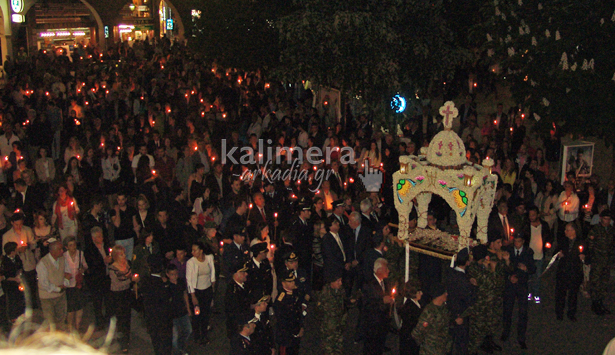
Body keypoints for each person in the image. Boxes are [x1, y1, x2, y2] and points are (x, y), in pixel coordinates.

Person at [502, 233, 536, 349]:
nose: (517, 244)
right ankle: (505, 332)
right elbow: (503, 269)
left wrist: (526, 269)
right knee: (507, 310)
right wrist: (509, 277)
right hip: (510, 285)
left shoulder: (528, 252)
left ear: (523, 242)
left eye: (519, 242)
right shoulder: (508, 250)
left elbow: (533, 269)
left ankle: (521, 338)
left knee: (523, 312)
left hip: (522, 285)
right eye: (515, 241)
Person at [466, 244, 501, 354]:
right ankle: (472, 351)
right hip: (479, 305)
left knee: (489, 326)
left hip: (489, 302)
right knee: (477, 332)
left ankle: (485, 344)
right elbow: (492, 283)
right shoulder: (474, 269)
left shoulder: (481, 266)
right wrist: (492, 269)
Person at [358, 258, 394, 355]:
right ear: (379, 270)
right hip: (372, 324)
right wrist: (382, 301)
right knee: (371, 349)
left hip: (382, 323)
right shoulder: (369, 284)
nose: (388, 271)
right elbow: (366, 304)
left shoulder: (385, 282)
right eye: (386, 269)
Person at [140, 255, 173, 355]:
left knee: (156, 344)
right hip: (164, 319)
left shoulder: (145, 281)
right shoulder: (163, 283)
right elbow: (167, 298)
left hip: (152, 319)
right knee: (166, 344)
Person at [2, 213, 37, 308]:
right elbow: (6, 252)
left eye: (20, 224)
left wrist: (28, 246)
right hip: (17, 264)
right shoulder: (7, 235)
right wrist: (17, 250)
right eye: (16, 224)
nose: (19, 226)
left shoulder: (27, 230)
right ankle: (22, 305)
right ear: (12, 223)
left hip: (28, 261)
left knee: (31, 283)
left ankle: (33, 303)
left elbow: (34, 244)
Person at [108, 244, 138, 353]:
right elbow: (116, 284)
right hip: (117, 296)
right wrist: (129, 280)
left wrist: (133, 280)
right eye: (121, 254)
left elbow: (130, 277)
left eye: (124, 254)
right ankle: (122, 341)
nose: (124, 256)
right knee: (121, 319)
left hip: (126, 294)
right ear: (116, 256)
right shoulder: (112, 268)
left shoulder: (127, 264)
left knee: (127, 317)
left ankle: (127, 338)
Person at [446, 248, 475, 355]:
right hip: (461, 313)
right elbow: (469, 299)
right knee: (461, 343)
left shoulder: (450, 273)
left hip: (450, 311)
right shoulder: (464, 281)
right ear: (467, 262)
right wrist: (474, 287)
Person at [187, 241, 216, 345]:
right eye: (192, 250)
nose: (193, 252)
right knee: (197, 314)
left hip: (207, 290)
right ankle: (196, 335)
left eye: (195, 250)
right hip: (197, 291)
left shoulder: (209, 258)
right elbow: (189, 280)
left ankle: (204, 334)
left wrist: (212, 287)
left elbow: (212, 272)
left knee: (205, 313)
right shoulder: (191, 262)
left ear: (201, 250)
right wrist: (193, 295)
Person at [555, 222, 585, 321]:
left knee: (573, 295)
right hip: (563, 271)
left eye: (567, 230)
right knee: (560, 294)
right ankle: (559, 313)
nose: (565, 232)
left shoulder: (581, 243)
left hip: (574, 272)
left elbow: (588, 256)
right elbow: (555, 253)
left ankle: (571, 313)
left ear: (573, 231)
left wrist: (583, 257)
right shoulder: (563, 241)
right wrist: (558, 255)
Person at [36, 239, 69, 328]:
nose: (62, 251)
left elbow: (68, 273)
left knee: (61, 319)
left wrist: (65, 284)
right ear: (52, 251)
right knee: (50, 323)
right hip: (47, 298)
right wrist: (58, 289)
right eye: (60, 249)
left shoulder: (62, 259)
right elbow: (44, 283)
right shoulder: (43, 263)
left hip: (60, 297)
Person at [586, 210, 614, 315]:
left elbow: (611, 245)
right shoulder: (595, 230)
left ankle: (601, 302)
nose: (607, 221)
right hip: (597, 261)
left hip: (607, 261)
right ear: (601, 218)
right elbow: (590, 245)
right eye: (605, 219)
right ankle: (595, 303)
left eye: (609, 219)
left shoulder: (611, 230)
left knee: (604, 282)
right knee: (595, 282)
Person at [412, 283, 452, 355]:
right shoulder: (429, 311)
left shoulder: (444, 309)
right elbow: (417, 333)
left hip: (442, 350)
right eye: (444, 292)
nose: (447, 294)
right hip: (429, 351)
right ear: (439, 295)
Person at [84, 226, 111, 329]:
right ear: (93, 238)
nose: (102, 238)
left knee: (108, 301)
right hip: (97, 280)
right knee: (98, 302)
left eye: (102, 236)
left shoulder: (106, 246)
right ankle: (99, 322)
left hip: (107, 278)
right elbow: (92, 264)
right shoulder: (89, 250)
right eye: (99, 236)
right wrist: (103, 261)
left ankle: (108, 319)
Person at [274, 269, 305, 355]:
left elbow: (299, 313)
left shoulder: (296, 294)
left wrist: (301, 327)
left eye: (293, 281)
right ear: (283, 283)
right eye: (290, 281)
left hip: (295, 335)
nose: (293, 283)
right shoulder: (281, 300)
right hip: (286, 337)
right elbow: (282, 320)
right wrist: (294, 332)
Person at [524, 206, 551, 304]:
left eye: (533, 215)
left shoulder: (544, 225)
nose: (531, 217)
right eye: (530, 215)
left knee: (538, 276)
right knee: (529, 276)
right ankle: (529, 293)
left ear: (538, 215)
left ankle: (536, 294)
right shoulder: (526, 226)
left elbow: (548, 236)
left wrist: (547, 245)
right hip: (529, 256)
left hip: (539, 255)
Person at [318, 270, 346, 355]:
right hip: (328, 329)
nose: (340, 283)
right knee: (328, 350)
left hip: (338, 326)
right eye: (338, 281)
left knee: (339, 349)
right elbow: (319, 312)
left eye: (341, 280)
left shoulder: (340, 291)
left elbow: (342, 307)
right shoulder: (324, 294)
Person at [166, 263, 192, 355]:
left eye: (176, 274)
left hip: (182, 311)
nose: (174, 276)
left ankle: (181, 347)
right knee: (174, 336)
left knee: (188, 330)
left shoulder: (180, 282)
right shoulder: (167, 286)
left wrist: (188, 308)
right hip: (172, 314)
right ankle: (177, 352)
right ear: (168, 275)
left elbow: (185, 294)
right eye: (172, 274)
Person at [63, 237, 88, 332]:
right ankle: (70, 327)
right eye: (70, 245)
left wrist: (82, 270)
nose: (73, 247)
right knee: (70, 308)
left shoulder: (80, 254)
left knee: (79, 306)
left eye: (74, 244)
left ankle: (77, 326)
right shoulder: (64, 256)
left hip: (78, 284)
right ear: (66, 247)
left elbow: (85, 265)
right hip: (68, 285)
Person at [226, 261, 251, 339]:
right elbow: (236, 312)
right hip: (238, 328)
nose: (246, 274)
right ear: (236, 274)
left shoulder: (243, 285)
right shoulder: (233, 291)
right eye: (243, 272)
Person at [1, 242, 25, 322]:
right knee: (12, 301)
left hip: (18, 282)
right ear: (11, 251)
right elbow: (4, 276)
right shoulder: (4, 261)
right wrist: (14, 279)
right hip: (10, 285)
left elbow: (20, 266)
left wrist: (19, 274)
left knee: (20, 298)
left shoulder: (17, 257)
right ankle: (13, 317)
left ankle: (21, 314)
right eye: (15, 249)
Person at [398, 280, 422, 355]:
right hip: (410, 341)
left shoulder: (416, 304)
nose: (421, 293)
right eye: (419, 292)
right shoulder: (409, 308)